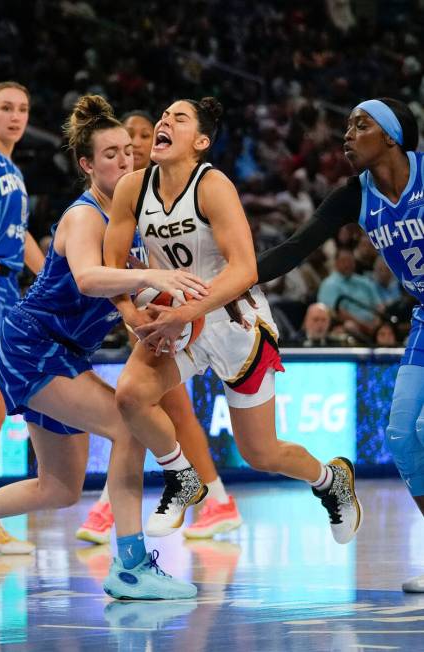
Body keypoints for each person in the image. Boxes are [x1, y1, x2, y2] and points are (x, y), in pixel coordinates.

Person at [103, 96, 362, 546]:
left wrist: (186, 310)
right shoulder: (132, 188)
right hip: (176, 323)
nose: (165, 121)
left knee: (261, 452)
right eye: (164, 115)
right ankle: (182, 477)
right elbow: (112, 263)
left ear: (200, 141)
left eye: (177, 118)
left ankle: (330, 480)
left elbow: (244, 269)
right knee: (130, 396)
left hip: (235, 322)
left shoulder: (212, 185)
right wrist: (131, 316)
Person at [0, 94, 210, 600]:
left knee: (60, 490)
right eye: (109, 154)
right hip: (33, 345)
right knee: (128, 425)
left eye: (127, 153)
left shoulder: (131, 220)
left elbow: (124, 295)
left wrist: (153, 317)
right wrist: (156, 274)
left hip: (63, 352)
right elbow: (89, 279)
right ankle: (131, 565)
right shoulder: (86, 216)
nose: (124, 160)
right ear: (87, 165)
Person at [257, 97, 424, 593]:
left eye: (360, 125)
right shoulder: (354, 196)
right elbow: (291, 250)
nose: (346, 134)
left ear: (391, 136)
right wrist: (225, 278)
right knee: (400, 435)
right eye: (347, 124)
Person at [77, 109, 242, 545]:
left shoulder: (168, 192)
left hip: (174, 317)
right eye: (119, 148)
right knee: (156, 410)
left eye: (135, 145)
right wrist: (134, 308)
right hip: (136, 318)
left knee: (163, 409)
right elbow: (106, 274)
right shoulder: (107, 204)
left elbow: (172, 265)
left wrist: (155, 304)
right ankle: (212, 498)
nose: (129, 155)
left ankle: (117, 506)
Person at [0, 81, 45, 554]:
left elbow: (22, 235)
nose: (15, 116)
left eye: (22, 109)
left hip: (7, 288)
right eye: (6, 108)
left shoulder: (12, 170)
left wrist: (54, 278)